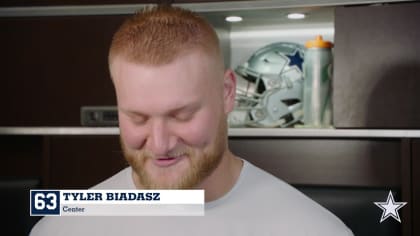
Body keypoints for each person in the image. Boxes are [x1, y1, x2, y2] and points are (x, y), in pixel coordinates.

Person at [31, 5, 353, 236]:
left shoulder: (313, 229)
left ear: (228, 93)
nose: (160, 144)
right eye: (137, 118)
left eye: (182, 115)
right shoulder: (62, 227)